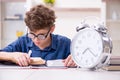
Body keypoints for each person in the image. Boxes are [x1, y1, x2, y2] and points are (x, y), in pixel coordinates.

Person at [0, 4, 76, 67]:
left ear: (52, 29)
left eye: (41, 35)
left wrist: (76, 59)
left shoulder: (65, 43)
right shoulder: (23, 42)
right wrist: (13, 56)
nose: (36, 40)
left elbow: (85, 59)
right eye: (32, 34)